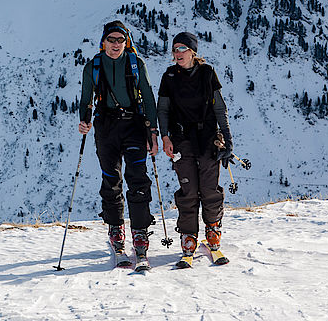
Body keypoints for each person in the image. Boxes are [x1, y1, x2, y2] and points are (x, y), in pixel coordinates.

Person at [78, 20, 159, 266]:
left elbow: (148, 96)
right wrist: (84, 120)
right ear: (103, 42)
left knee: (138, 179)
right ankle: (116, 229)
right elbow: (85, 98)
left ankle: (140, 232)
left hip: (134, 126)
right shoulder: (93, 67)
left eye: (120, 40)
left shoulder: (136, 64)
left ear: (127, 42)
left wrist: (153, 131)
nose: (115, 44)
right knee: (111, 178)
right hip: (106, 127)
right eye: (111, 40)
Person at [157, 31, 234, 266]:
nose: (178, 53)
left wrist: (228, 140)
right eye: (175, 49)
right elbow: (163, 111)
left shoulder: (207, 73)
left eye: (182, 48)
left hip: (208, 137)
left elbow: (220, 108)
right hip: (181, 138)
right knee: (188, 189)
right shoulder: (169, 77)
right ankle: (188, 236)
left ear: (193, 51)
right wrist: (165, 138)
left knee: (209, 188)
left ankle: (212, 231)